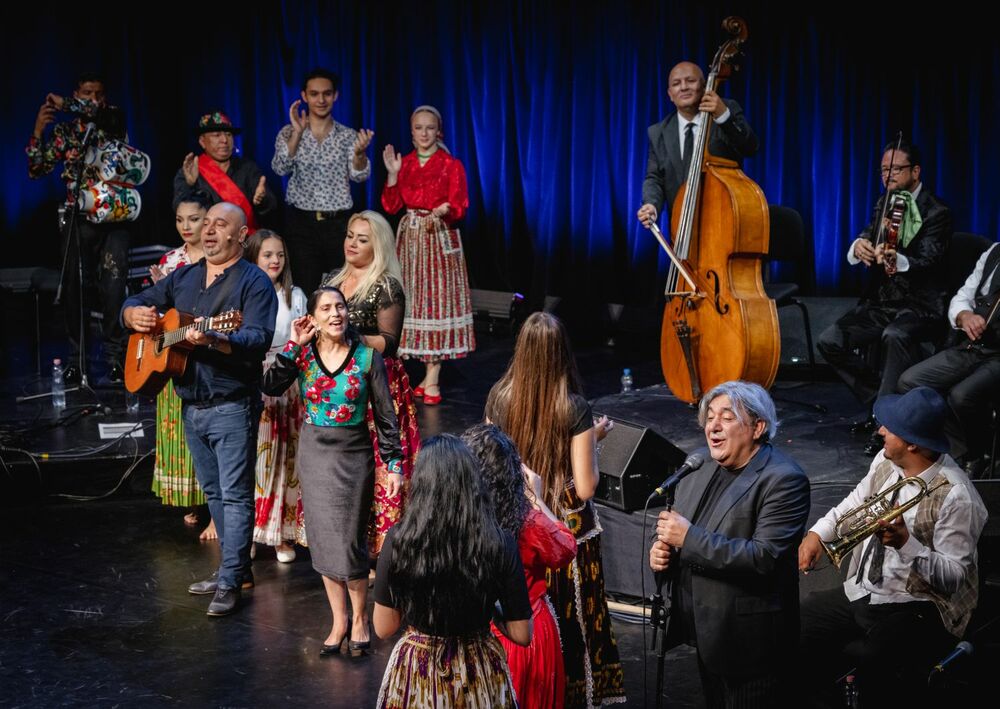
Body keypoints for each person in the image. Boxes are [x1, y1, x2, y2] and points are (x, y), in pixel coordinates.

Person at [122, 202, 277, 617]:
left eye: (219, 225)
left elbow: (258, 337)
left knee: (236, 495)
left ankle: (230, 580)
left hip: (231, 404)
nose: (208, 231)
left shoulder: (254, 283)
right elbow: (141, 298)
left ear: (241, 236)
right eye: (205, 224)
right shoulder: (186, 277)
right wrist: (130, 312)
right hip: (190, 405)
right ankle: (235, 569)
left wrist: (217, 339)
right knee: (212, 493)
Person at [798, 386, 986, 707]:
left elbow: (953, 579)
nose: (880, 430)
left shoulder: (958, 497)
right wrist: (818, 533)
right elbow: (856, 500)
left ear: (912, 443)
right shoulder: (886, 461)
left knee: (877, 663)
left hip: (921, 605)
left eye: (890, 428)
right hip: (869, 589)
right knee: (796, 626)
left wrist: (907, 544)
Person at [485, 312, 625, 708]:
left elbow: (492, 459)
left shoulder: (499, 395)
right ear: (562, 352)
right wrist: (591, 441)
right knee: (569, 623)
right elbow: (585, 486)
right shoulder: (573, 407)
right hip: (560, 530)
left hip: (515, 520)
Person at [649, 380, 810, 707]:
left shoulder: (783, 479)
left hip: (750, 647)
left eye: (727, 417)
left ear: (757, 427)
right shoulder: (700, 465)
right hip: (708, 636)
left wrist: (687, 538)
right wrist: (664, 552)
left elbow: (763, 557)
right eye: (709, 417)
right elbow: (685, 533)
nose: (713, 426)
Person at [262, 286, 402, 654]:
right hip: (315, 455)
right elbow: (271, 385)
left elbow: (387, 418)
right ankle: (338, 619)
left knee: (350, 540)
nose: (335, 313)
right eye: (326, 308)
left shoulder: (367, 358)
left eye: (340, 306)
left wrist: (394, 464)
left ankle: (359, 618)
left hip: (353, 456)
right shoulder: (303, 356)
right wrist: (292, 344)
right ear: (313, 317)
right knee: (323, 541)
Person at [373, 434, 532, 708]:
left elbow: (384, 627)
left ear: (421, 483)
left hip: (418, 672)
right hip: (477, 670)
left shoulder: (398, 540)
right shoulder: (500, 542)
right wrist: (490, 609)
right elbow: (521, 634)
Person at [816, 140, 952, 454]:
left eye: (896, 169)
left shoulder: (938, 212)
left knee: (894, 336)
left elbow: (929, 260)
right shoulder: (885, 203)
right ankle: (881, 402)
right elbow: (868, 233)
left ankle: (887, 426)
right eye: (883, 170)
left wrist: (895, 258)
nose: (888, 175)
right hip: (884, 301)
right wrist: (859, 246)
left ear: (915, 172)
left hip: (921, 304)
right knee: (830, 340)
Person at [323, 211, 419, 558]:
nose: (352, 243)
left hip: (374, 384)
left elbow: (390, 342)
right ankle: (344, 540)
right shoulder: (332, 280)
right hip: (336, 385)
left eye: (362, 239)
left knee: (377, 465)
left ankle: (384, 548)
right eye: (350, 236)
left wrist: (348, 337)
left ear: (377, 246)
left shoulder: (386, 285)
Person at [27, 73, 133, 384]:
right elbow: (37, 170)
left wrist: (67, 103)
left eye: (98, 93)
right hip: (80, 218)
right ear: (77, 92)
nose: (93, 99)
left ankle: (115, 359)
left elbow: (100, 114)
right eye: (86, 93)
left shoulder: (112, 121)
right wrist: (38, 130)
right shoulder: (67, 131)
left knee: (113, 289)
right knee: (75, 289)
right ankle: (78, 360)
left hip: (115, 218)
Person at [463, 423, 577, 709]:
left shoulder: (458, 520)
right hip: (527, 632)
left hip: (474, 632)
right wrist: (536, 498)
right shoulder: (528, 521)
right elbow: (565, 548)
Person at [381, 105, 475, 405]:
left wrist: (447, 208)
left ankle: (433, 377)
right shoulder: (404, 163)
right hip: (410, 240)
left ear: (439, 131)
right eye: (418, 128)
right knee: (412, 303)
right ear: (412, 132)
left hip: (438, 238)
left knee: (437, 302)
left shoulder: (450, 165)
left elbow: (460, 204)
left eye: (430, 128)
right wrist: (393, 176)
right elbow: (391, 206)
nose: (424, 133)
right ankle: (422, 373)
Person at [898, 241, 1000, 476]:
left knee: (962, 396)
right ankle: (955, 450)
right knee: (910, 381)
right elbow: (963, 296)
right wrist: (964, 315)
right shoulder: (993, 251)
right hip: (974, 345)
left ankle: (978, 454)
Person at [148, 191, 217, 540]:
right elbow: (160, 314)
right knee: (179, 427)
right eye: (180, 219)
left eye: (193, 218)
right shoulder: (170, 260)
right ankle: (192, 497)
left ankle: (213, 503)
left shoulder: (217, 259)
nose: (186, 226)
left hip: (204, 354)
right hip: (174, 355)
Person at [272, 68, 374, 293]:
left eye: (326, 94)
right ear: (304, 96)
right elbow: (280, 168)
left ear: (335, 96)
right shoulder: (289, 133)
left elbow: (360, 176)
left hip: (337, 224)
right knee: (304, 288)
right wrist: (298, 134)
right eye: (315, 94)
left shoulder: (348, 136)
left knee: (342, 287)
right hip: (301, 223)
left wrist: (359, 155)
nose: (321, 99)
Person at [244, 230, 307, 562]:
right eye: (268, 255)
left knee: (286, 458)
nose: (275, 261)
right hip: (256, 375)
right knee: (258, 458)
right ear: (254, 257)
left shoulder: (294, 295)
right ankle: (250, 533)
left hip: (286, 377)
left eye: (280, 255)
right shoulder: (245, 292)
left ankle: (282, 535)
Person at [637, 61, 759, 230]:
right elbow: (654, 178)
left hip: (724, 226)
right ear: (670, 94)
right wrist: (651, 205)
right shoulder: (658, 132)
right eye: (676, 84)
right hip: (682, 231)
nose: (684, 87)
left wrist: (724, 116)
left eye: (690, 81)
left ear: (704, 86)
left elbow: (750, 147)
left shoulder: (726, 110)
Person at [173, 112, 276, 231]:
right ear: (202, 141)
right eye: (216, 135)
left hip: (243, 241)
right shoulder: (190, 171)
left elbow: (271, 207)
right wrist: (189, 186)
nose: (224, 140)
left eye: (228, 134)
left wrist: (261, 201)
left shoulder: (247, 168)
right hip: (207, 240)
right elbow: (178, 209)